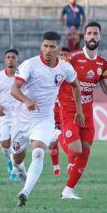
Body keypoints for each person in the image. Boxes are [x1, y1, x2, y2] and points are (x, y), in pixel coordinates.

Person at [10, 31, 84, 207]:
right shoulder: (30, 65)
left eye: (52, 46)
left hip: (44, 119)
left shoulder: (65, 68)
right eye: (45, 46)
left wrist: (79, 110)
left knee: (37, 153)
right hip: (22, 119)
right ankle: (19, 169)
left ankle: (24, 192)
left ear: (59, 48)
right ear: (41, 46)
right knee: (17, 158)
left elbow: (76, 86)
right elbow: (14, 89)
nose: (48, 50)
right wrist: (27, 101)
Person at [59, 21, 107, 199]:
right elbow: (55, 78)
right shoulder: (71, 58)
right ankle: (58, 136)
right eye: (89, 33)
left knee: (85, 150)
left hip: (87, 111)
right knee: (77, 150)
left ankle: (68, 190)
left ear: (100, 37)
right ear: (84, 36)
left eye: (96, 33)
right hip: (70, 108)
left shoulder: (102, 63)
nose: (92, 36)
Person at [0, 49, 26, 181]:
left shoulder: (22, 77)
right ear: (5, 60)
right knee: (5, 144)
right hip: (3, 115)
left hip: (19, 115)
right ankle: (11, 162)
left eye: (13, 57)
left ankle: (16, 169)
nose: (10, 59)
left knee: (17, 144)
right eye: (8, 57)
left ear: (17, 60)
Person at [48, 46, 71, 176]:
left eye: (65, 55)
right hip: (52, 112)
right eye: (61, 54)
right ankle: (56, 167)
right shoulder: (50, 71)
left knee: (67, 138)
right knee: (51, 142)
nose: (63, 57)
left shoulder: (72, 73)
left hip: (66, 112)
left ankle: (71, 162)